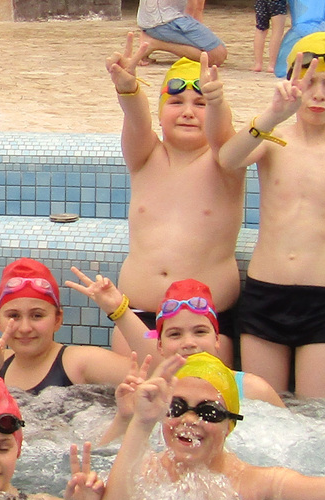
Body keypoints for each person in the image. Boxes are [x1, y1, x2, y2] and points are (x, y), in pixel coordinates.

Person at [217, 32, 325, 398]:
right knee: (263, 413)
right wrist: (273, 114)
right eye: (309, 82)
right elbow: (227, 160)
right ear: (292, 82)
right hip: (265, 292)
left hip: (323, 299)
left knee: (317, 414)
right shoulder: (273, 138)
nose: (318, 94)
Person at [97, 323, 325, 500]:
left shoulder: (253, 484)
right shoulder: (143, 471)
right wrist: (141, 422)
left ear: (230, 425)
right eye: (176, 407)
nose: (189, 420)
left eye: (208, 412)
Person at [105, 41, 245, 353]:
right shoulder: (144, 156)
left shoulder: (226, 160)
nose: (188, 112)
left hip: (204, 322)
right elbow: (137, 119)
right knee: (135, 385)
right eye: (176, 102)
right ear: (161, 112)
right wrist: (128, 90)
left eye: (201, 103)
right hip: (140, 317)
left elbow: (227, 134)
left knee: (201, 387)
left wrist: (218, 103)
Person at [93, 280, 284, 448]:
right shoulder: (152, 396)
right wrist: (124, 417)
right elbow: (105, 456)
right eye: (175, 334)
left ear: (217, 339)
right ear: (160, 346)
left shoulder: (254, 390)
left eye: (200, 332)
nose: (189, 343)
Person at [0, 259, 142, 397]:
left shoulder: (78, 362)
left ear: (57, 319)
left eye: (37, 315)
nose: (25, 328)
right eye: (14, 316)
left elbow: (153, 375)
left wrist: (120, 312)